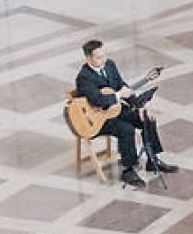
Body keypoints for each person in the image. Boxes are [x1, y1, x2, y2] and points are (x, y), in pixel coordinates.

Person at [73, 35, 176, 189]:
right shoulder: (84, 77)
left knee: (147, 117)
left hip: (115, 110)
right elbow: (98, 100)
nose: (103, 59)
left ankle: (152, 160)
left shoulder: (110, 65)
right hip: (98, 120)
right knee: (126, 129)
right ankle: (128, 170)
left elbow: (122, 85)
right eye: (99, 57)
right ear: (88, 58)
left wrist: (138, 106)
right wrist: (119, 95)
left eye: (104, 55)